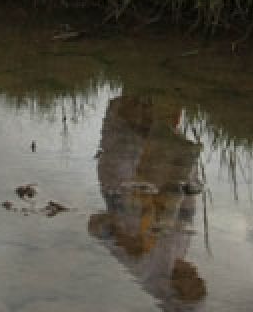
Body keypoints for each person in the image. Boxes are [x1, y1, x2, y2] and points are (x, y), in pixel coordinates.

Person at [88, 95, 206, 307]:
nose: (195, 274)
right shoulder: (177, 250)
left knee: (133, 108)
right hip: (147, 165)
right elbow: (185, 206)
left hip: (124, 173)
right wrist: (188, 172)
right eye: (198, 280)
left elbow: (96, 226)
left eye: (191, 282)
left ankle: (142, 81)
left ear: (171, 286)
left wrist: (121, 236)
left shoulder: (145, 266)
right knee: (159, 102)